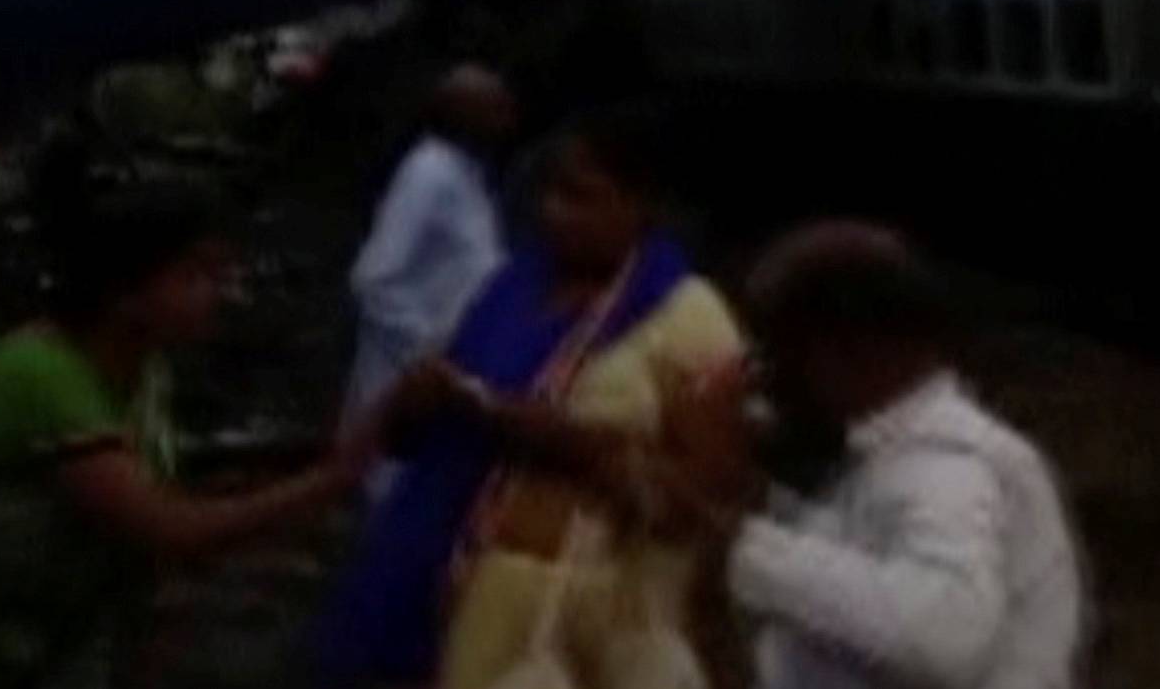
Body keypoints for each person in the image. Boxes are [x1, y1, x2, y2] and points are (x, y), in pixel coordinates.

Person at [317, 104, 745, 689]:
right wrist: (418, 403)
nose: (552, 212)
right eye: (550, 193)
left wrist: (557, 440)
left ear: (640, 205)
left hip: (584, 636)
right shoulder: (512, 287)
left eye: (581, 197)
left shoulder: (690, 319)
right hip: (447, 595)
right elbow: (424, 431)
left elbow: (705, 503)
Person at [0, 183, 376, 689]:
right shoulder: (41, 378)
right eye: (197, 274)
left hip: (47, 642)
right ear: (126, 292)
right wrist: (338, 476)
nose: (225, 293)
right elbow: (170, 530)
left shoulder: (144, 371)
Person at [675, 221, 1085, 689]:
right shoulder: (899, 456)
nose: (771, 388)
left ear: (845, 352)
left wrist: (739, 543)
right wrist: (735, 488)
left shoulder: (948, 466)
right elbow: (855, 565)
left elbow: (945, 634)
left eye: (778, 360)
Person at [344, 65, 520, 459]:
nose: (508, 117)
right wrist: (429, 348)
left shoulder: (469, 175)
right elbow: (373, 279)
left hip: (450, 385)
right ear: (462, 113)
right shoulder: (429, 173)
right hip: (409, 386)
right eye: (495, 107)